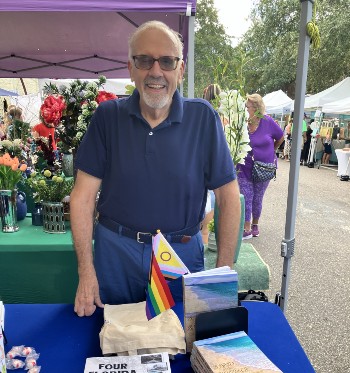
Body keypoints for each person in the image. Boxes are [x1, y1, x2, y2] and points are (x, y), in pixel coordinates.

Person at [70, 20, 241, 317]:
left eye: (167, 61)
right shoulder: (107, 117)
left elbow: (228, 197)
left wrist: (222, 274)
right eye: (145, 60)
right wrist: (86, 273)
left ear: (181, 69)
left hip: (179, 254)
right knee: (115, 342)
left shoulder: (203, 118)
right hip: (115, 253)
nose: (156, 71)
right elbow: (82, 198)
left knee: (181, 347)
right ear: (131, 67)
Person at [236, 93, 284, 239]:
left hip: (263, 167)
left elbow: (280, 137)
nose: (245, 108)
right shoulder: (242, 121)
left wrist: (272, 151)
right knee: (246, 196)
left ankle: (255, 224)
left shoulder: (267, 121)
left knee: (257, 197)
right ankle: (246, 226)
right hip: (244, 166)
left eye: (247, 106)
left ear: (256, 108)